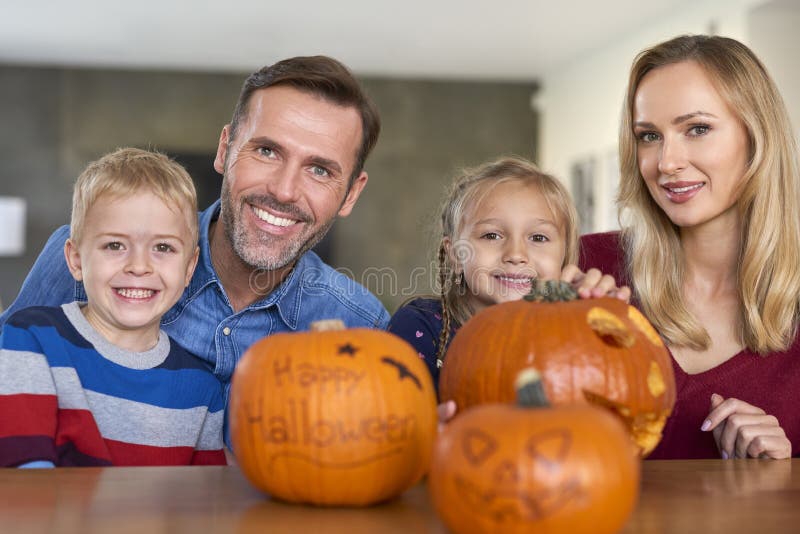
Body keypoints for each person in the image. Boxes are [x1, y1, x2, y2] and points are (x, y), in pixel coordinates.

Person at [0, 57, 390, 446]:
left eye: (320, 170)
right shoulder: (94, 263)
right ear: (225, 150)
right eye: (267, 151)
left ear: (351, 193)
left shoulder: (363, 327)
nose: (284, 191)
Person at [580, 35, 800, 460]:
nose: (667, 162)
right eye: (649, 136)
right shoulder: (584, 267)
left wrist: (785, 471)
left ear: (756, 137)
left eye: (697, 129)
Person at [0, 147, 226, 467]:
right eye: (115, 245)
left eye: (163, 247)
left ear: (189, 268)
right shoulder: (30, 340)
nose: (139, 266)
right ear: (76, 260)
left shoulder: (202, 389)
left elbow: (205, 494)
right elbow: (26, 478)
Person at [389, 156, 630, 392]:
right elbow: (404, 409)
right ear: (456, 255)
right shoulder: (422, 325)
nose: (516, 254)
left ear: (564, 258)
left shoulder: (571, 330)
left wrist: (602, 326)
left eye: (538, 237)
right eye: (492, 235)